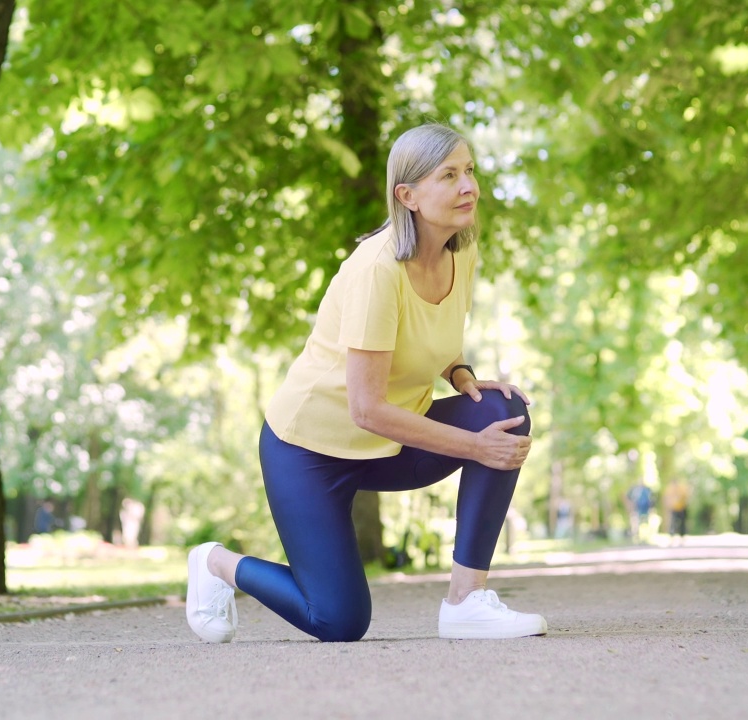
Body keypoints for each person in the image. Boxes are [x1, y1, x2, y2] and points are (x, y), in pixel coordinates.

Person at [185, 124, 546, 643]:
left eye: (470, 171)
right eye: (449, 175)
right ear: (408, 196)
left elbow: (431, 336)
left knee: (500, 411)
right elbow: (367, 409)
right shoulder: (377, 270)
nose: (468, 186)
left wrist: (459, 373)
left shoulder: (460, 252)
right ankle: (215, 563)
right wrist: (473, 447)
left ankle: (466, 603)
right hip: (308, 451)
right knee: (339, 621)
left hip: (388, 445)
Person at [663, 479, 691, 544]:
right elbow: (666, 498)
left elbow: (686, 496)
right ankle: (672, 537)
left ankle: (682, 537)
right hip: (674, 509)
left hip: (681, 508)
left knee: (682, 524)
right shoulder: (670, 489)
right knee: (673, 524)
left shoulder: (681, 488)